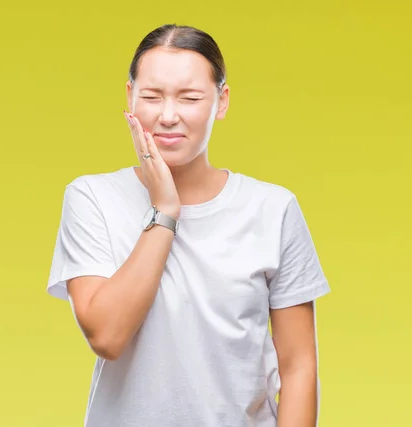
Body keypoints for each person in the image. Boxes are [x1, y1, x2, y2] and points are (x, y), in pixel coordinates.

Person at [46, 23, 331, 427]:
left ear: (221, 101)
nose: (167, 116)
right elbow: (107, 336)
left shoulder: (272, 208)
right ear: (130, 96)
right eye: (151, 96)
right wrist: (165, 212)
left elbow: (299, 367)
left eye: (190, 98)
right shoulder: (92, 198)